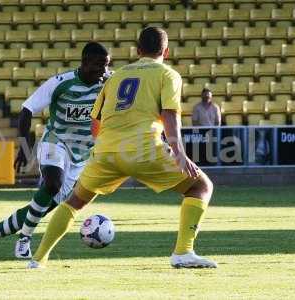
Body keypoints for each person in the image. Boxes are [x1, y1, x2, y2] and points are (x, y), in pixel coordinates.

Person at [28, 27, 217, 269]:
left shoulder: (114, 77)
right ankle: (183, 252)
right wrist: (179, 153)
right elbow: (169, 115)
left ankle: (38, 259)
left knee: (75, 201)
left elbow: (95, 121)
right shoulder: (168, 75)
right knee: (200, 186)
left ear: (138, 51)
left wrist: (103, 148)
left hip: (106, 151)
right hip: (143, 150)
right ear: (166, 52)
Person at [0, 42, 111, 259]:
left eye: (106, 66)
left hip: (82, 155)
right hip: (56, 142)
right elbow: (27, 109)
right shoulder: (62, 83)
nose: (103, 71)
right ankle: (24, 238)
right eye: (99, 66)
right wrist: (24, 146)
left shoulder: (109, 82)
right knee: (52, 184)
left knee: (43, 206)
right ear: (85, 63)